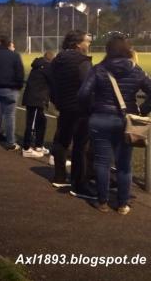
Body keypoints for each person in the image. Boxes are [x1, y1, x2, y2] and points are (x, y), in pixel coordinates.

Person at [78, 34, 151, 214]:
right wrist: (142, 110)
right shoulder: (136, 70)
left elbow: (83, 94)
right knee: (124, 164)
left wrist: (92, 109)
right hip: (126, 121)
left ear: (108, 50)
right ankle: (123, 204)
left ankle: (102, 201)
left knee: (102, 162)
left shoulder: (98, 69)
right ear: (128, 49)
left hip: (100, 118)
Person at [50, 30, 94, 198]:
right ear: (78, 44)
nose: (88, 44)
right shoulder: (82, 61)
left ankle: (60, 176)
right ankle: (79, 183)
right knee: (81, 146)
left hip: (64, 107)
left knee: (62, 141)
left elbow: (52, 84)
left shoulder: (56, 60)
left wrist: (58, 102)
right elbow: (87, 87)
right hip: (80, 109)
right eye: (87, 41)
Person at [0, 37, 24, 150]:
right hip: (10, 90)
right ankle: (10, 142)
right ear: (8, 45)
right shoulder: (15, 56)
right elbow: (20, 74)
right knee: (10, 117)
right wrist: (18, 86)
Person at [21, 51, 55, 157]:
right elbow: (53, 83)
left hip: (36, 98)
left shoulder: (39, 65)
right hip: (36, 99)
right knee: (32, 123)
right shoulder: (47, 67)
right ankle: (26, 148)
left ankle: (38, 145)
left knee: (42, 121)